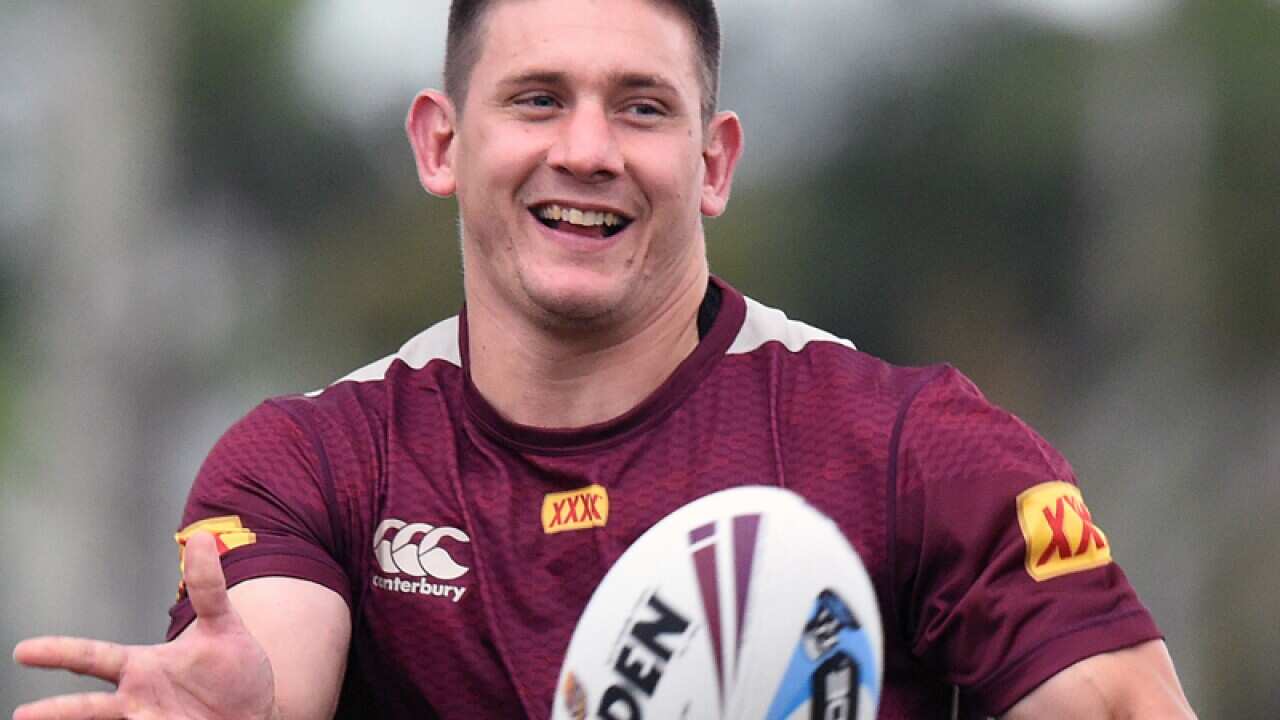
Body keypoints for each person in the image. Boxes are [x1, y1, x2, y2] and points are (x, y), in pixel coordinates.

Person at [12, 0, 1196, 718]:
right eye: (537, 99)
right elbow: (272, 659)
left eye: (640, 108)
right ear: (441, 141)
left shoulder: (908, 449)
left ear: (714, 162)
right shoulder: (318, 458)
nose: (586, 150)